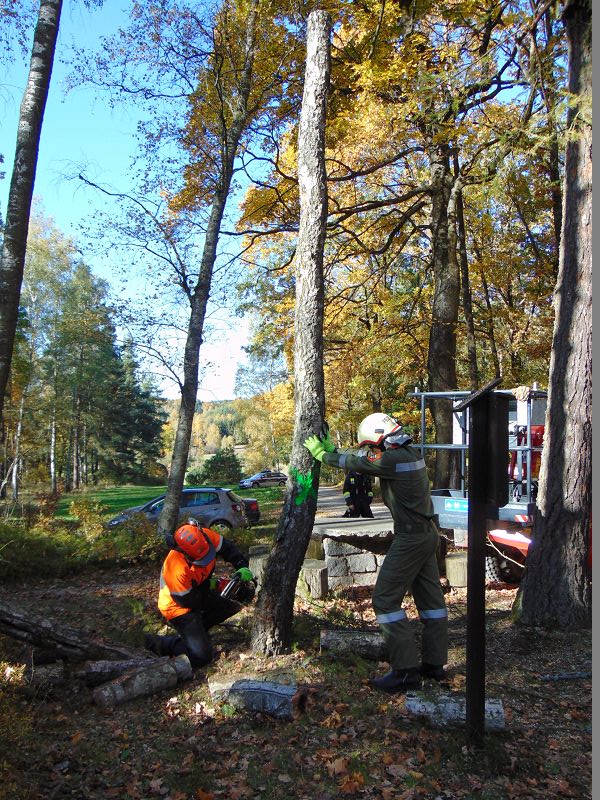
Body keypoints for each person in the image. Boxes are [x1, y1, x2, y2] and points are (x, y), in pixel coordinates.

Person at [305, 413, 448, 693]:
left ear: (380, 439)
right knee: (431, 602)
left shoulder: (392, 459)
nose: (372, 450)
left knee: (384, 600)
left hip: (411, 537)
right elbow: (365, 460)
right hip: (427, 532)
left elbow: (359, 463)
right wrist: (335, 451)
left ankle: (406, 671)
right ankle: (434, 664)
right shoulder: (408, 453)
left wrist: (325, 455)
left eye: (373, 445)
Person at [144, 518, 254, 668]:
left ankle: (200, 630)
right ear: (185, 554)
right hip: (179, 607)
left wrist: (242, 566)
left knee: (236, 599)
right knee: (201, 657)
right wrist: (212, 585)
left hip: (197, 592)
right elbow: (190, 602)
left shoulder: (205, 537)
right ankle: (160, 642)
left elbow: (228, 549)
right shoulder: (176, 568)